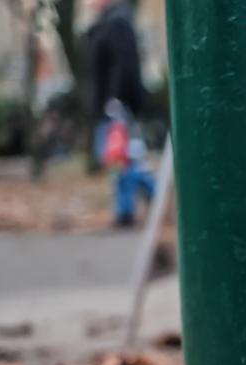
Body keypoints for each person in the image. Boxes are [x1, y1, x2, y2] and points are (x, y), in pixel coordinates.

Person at [86, 0, 152, 226]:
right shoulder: (110, 22)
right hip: (111, 104)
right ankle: (141, 200)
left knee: (120, 158)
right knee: (121, 159)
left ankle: (128, 209)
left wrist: (116, 100)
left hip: (115, 106)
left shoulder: (117, 23)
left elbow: (123, 65)